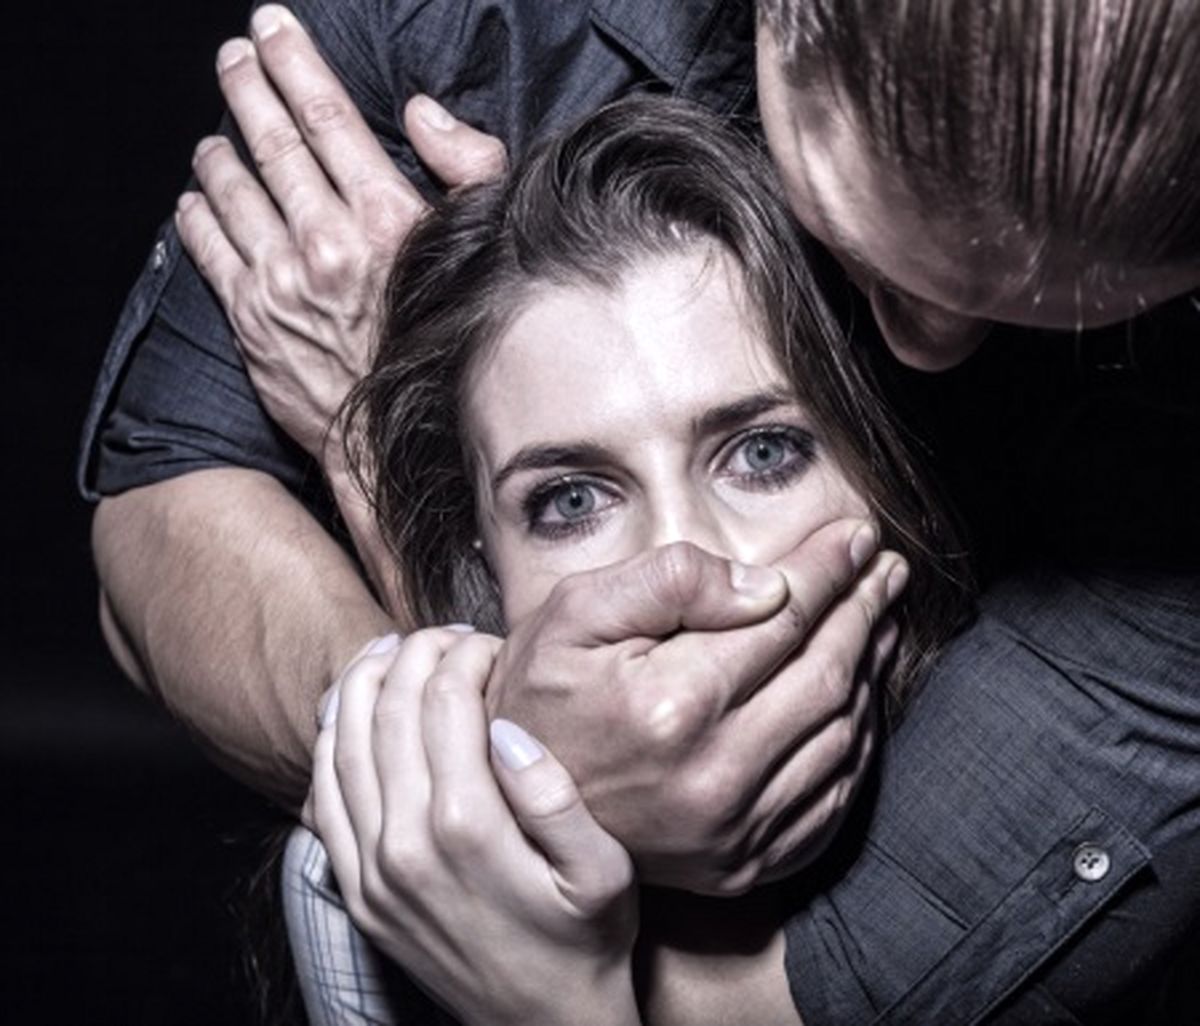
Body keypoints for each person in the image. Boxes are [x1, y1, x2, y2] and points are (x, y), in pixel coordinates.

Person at [82, 1, 1200, 1021]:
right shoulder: (458, 31)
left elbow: (769, 1004)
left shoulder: (1138, 603)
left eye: (765, 450)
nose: (927, 351)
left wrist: (379, 450)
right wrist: (479, 745)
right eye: (570, 498)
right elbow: (162, 513)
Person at [287, 93, 966, 1026]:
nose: (679, 568)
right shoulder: (376, 877)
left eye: (764, 452)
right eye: (572, 502)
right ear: (486, 557)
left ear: (880, 467)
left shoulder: (1067, 789)